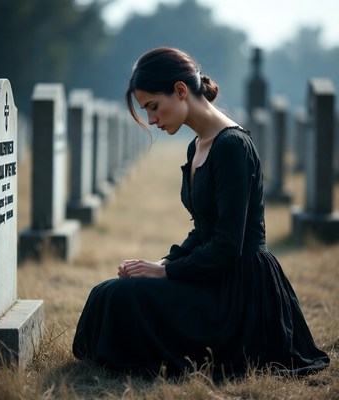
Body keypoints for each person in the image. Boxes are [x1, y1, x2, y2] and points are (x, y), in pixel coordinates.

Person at [72, 47, 330, 379]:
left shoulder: (232, 146)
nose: (151, 120)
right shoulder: (197, 145)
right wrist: (163, 262)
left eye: (153, 107)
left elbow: (227, 245)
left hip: (240, 293)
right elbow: (204, 230)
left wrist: (165, 273)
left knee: (123, 298)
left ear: (180, 91)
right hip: (211, 276)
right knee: (108, 292)